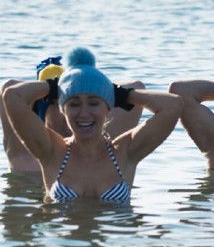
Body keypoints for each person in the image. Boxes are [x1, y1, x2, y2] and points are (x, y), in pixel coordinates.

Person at [1, 47, 182, 202]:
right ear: (64, 109)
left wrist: (118, 94)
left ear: (109, 108)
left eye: (94, 103)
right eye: (74, 104)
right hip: (59, 241)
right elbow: (11, 95)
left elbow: (173, 105)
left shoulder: (126, 151)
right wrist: (60, 85)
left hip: (117, 240)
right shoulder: (50, 151)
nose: (84, 113)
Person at [1, 55, 145, 172]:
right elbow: (9, 89)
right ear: (43, 107)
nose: (77, 113)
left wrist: (92, 84)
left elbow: (137, 87)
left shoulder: (102, 145)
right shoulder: (22, 149)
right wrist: (54, 86)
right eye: (64, 104)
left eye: (88, 102)